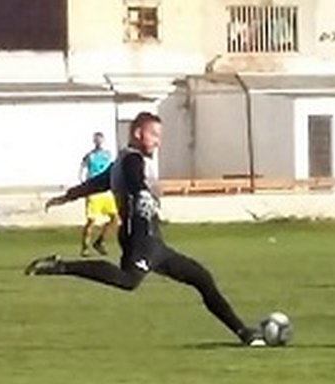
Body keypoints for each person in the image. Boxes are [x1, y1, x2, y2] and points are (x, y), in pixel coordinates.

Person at [26, 112, 266, 346]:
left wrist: (68, 196)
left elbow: (98, 183)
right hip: (139, 235)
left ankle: (245, 333)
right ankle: (60, 266)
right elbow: (133, 178)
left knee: (201, 278)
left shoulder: (123, 159)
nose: (158, 141)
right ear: (139, 133)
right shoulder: (132, 160)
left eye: (159, 136)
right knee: (129, 280)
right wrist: (140, 191)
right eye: (154, 135)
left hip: (152, 240)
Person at [79, 132, 118, 257]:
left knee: (115, 219)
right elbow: (82, 169)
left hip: (106, 191)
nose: (99, 142)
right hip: (94, 191)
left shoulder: (108, 155)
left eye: (100, 139)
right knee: (91, 221)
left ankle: (100, 241)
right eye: (96, 140)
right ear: (94, 141)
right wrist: (84, 184)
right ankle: (85, 247)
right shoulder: (90, 156)